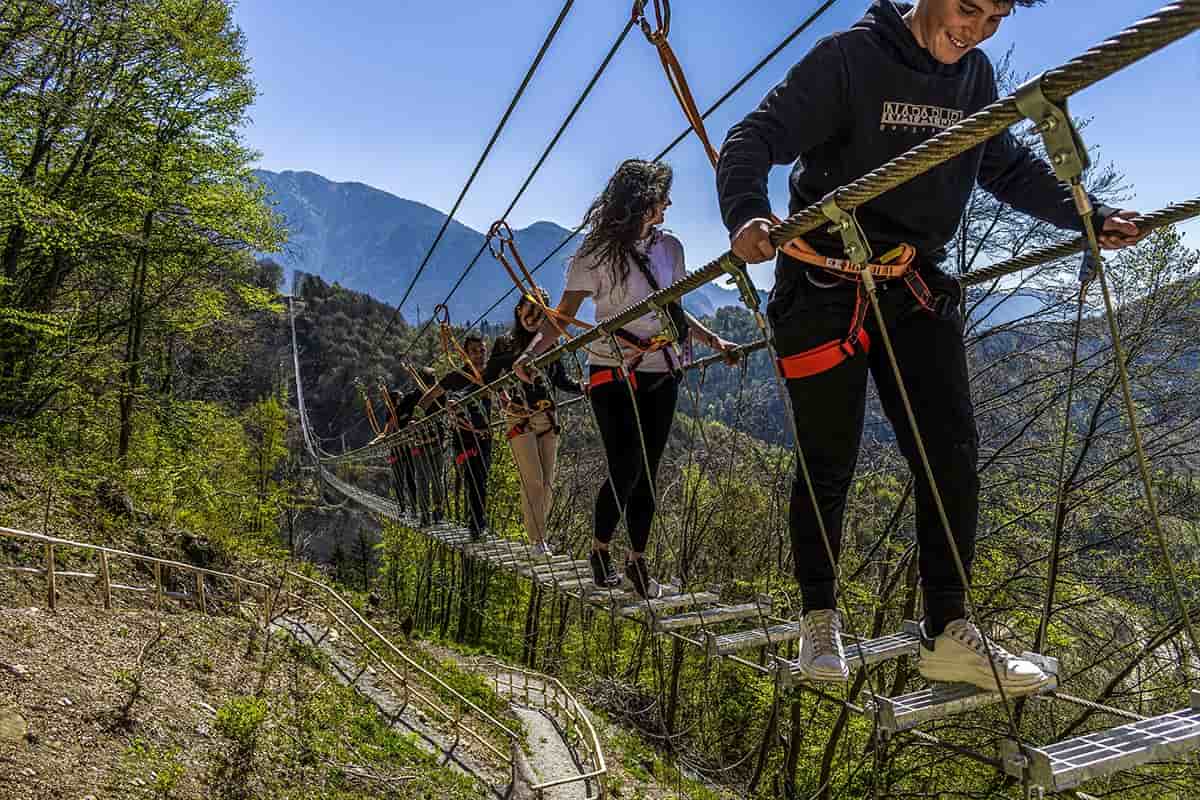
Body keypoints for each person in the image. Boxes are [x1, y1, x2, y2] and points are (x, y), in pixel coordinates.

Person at [716, 0, 1146, 689]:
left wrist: (1085, 213)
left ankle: (948, 628)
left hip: (913, 286)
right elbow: (753, 139)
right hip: (822, 288)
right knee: (830, 458)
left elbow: (1004, 167)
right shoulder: (849, 59)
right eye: (967, 7)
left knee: (950, 453)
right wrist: (746, 215)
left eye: (996, 18)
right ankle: (819, 617)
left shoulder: (972, 80)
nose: (975, 29)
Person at [520, 159, 740, 599]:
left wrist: (714, 341)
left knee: (648, 470)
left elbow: (672, 308)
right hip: (610, 368)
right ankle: (600, 550)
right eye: (662, 196)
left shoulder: (671, 248)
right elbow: (564, 315)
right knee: (626, 465)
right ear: (642, 202)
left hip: (661, 370)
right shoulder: (593, 253)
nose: (669, 203)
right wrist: (532, 353)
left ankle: (637, 561)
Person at [483, 289, 582, 556]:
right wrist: (513, 368)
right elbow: (489, 376)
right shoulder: (505, 343)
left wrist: (585, 387)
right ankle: (537, 541)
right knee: (534, 481)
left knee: (547, 483)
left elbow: (561, 380)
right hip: (519, 416)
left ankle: (539, 538)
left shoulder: (548, 343)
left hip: (548, 416)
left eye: (540, 313)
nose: (533, 317)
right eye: (529, 310)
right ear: (518, 310)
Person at [412, 334, 493, 540]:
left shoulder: (491, 375)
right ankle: (476, 526)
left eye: (482, 350)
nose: (479, 354)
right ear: (465, 354)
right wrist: (416, 417)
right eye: (474, 351)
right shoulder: (455, 377)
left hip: (484, 436)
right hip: (462, 438)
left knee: (480, 479)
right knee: (472, 479)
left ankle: (476, 525)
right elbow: (429, 396)